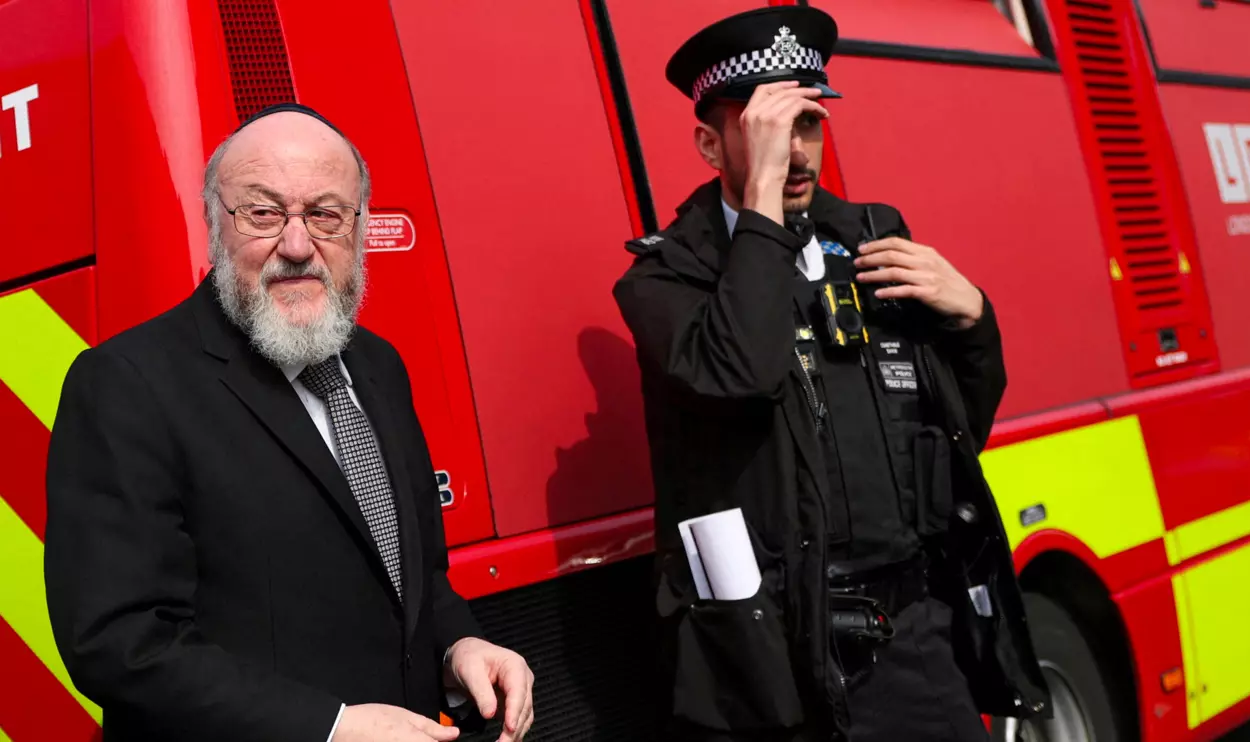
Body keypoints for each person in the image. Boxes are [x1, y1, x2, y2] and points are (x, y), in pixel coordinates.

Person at [613, 7, 1049, 741]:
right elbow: (739, 375)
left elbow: (956, 427)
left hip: (908, 637)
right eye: (773, 130)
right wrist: (760, 209)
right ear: (709, 143)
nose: (799, 153)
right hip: (766, 659)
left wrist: (973, 315)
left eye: (809, 124)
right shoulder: (664, 278)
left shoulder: (874, 241)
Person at [44, 103, 534, 742]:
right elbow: (120, 641)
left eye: (325, 214)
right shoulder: (127, 383)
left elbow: (413, 574)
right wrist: (327, 728)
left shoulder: (379, 365)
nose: (297, 245)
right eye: (264, 213)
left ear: (357, 230)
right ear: (216, 224)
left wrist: (459, 645)